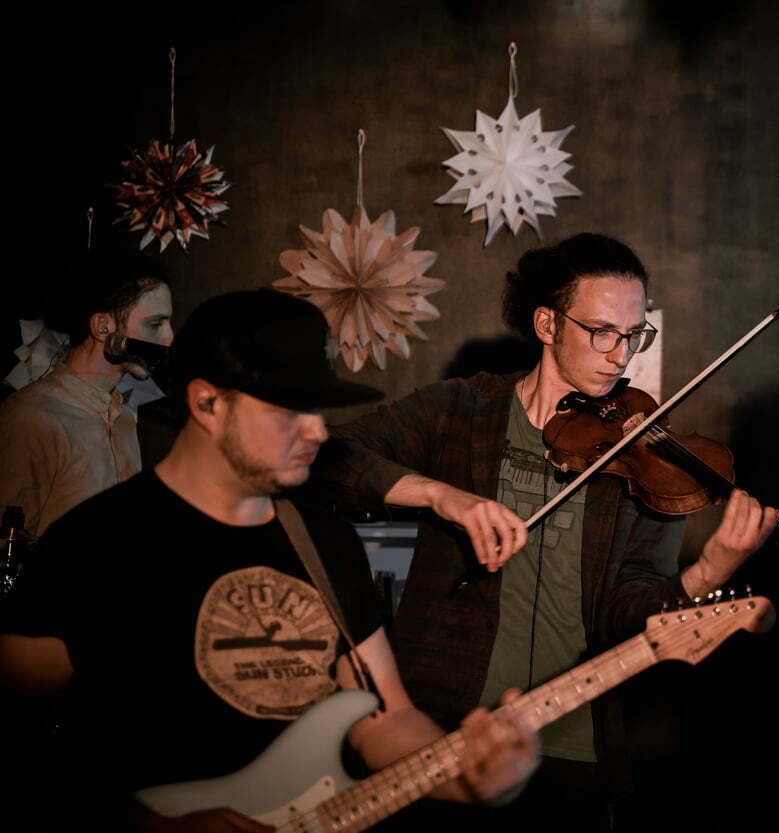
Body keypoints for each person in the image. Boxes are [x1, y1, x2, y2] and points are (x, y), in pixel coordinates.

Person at [0, 290, 538, 831]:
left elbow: (384, 719)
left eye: (317, 408)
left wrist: (468, 774)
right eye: (289, 409)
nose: (318, 430)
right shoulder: (98, 542)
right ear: (207, 403)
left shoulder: (326, 542)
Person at [309, 232, 779, 826]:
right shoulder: (460, 411)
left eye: (634, 335)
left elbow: (626, 617)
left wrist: (710, 571)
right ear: (547, 324)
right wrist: (440, 495)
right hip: (442, 732)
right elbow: (329, 458)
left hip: (573, 748)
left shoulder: (645, 456)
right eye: (602, 331)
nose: (621, 356)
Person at [0, 250, 173, 535]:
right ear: (103, 327)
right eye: (155, 324)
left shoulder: (123, 419)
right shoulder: (31, 417)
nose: (168, 338)